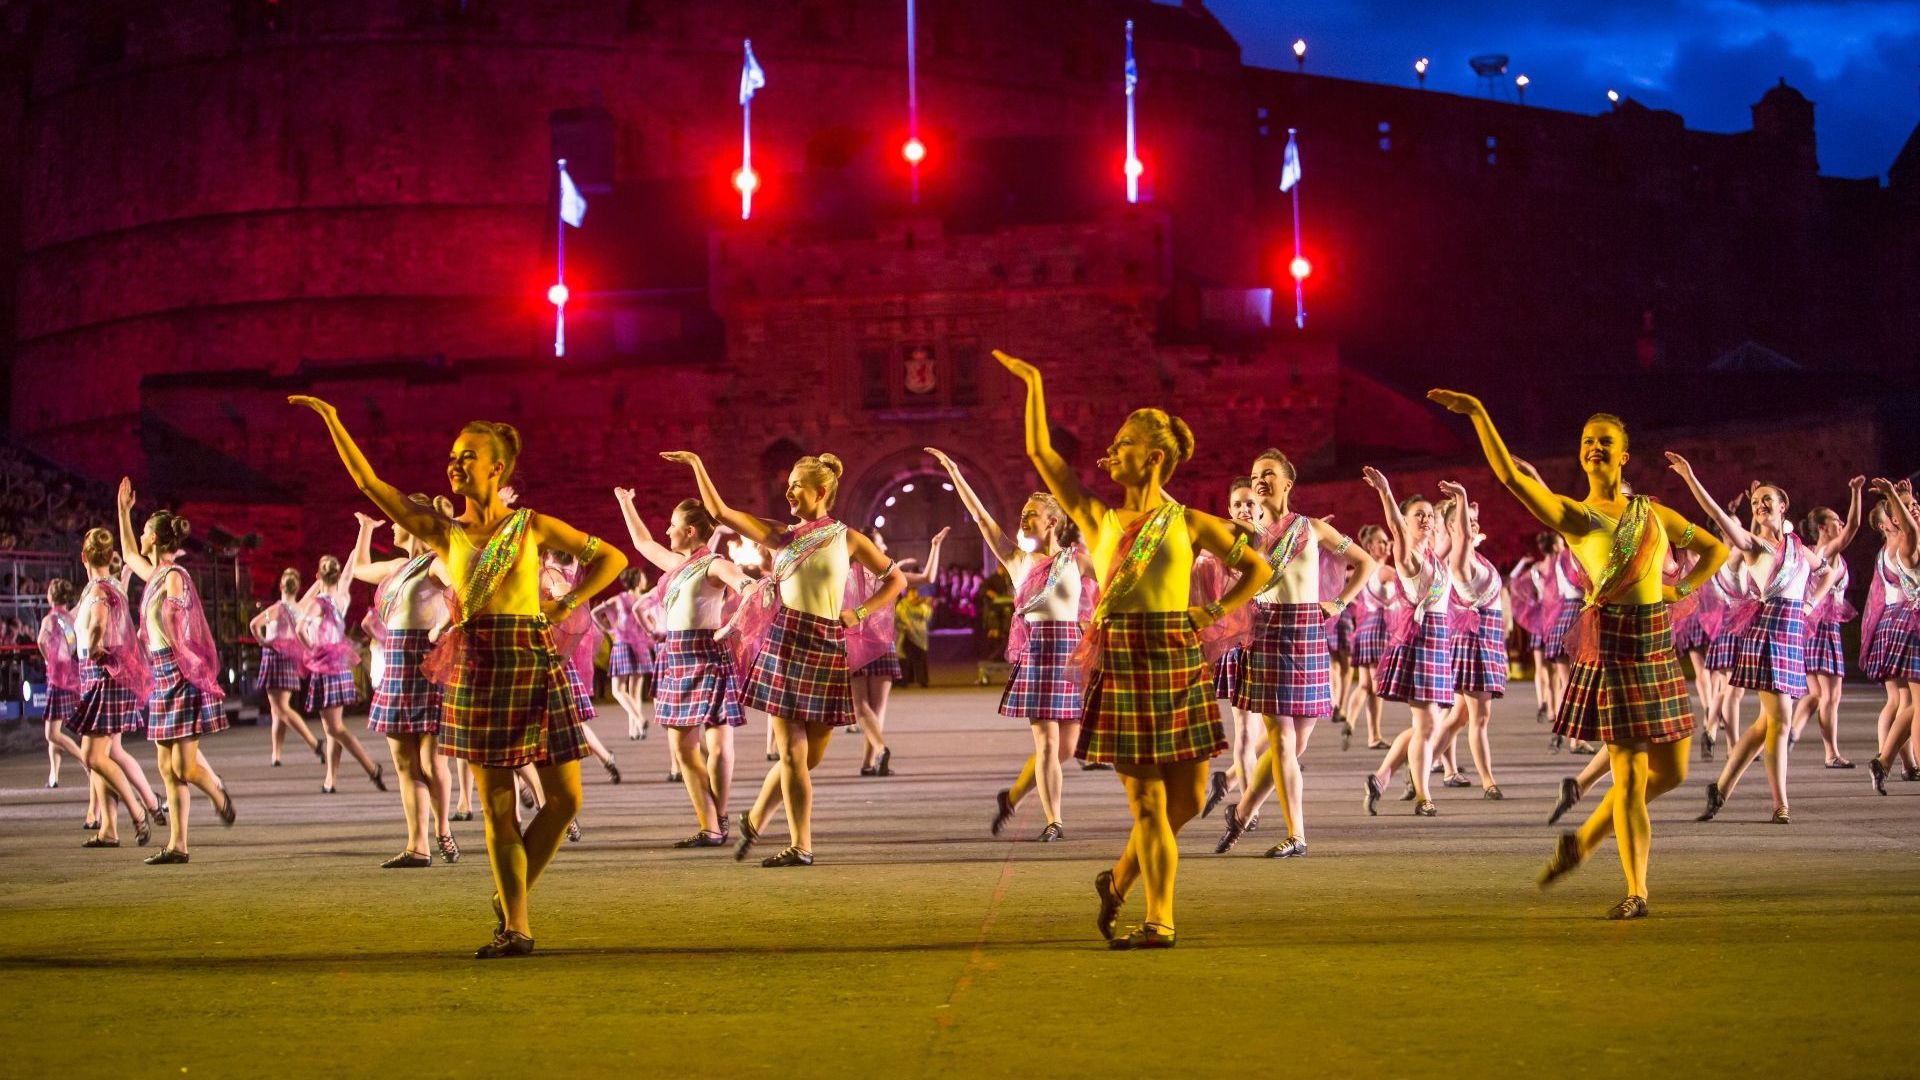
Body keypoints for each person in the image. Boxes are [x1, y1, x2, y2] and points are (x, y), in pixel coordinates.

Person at [292, 396, 626, 959]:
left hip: (534, 658)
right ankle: (516, 924)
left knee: (566, 799)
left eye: (467, 456)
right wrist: (334, 420)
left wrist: (568, 599)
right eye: (452, 455)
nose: (454, 464)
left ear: (497, 468)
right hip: (481, 665)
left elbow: (610, 557)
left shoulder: (531, 526)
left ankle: (511, 894)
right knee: (497, 804)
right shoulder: (443, 533)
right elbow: (372, 485)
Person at [995, 349, 1271, 949]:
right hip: (1123, 658)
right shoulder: (1098, 518)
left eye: (1124, 442)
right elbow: (1045, 457)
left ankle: (1117, 881)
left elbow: (1257, 568)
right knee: (1147, 805)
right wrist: (1035, 383)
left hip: (1176, 654)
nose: (1111, 451)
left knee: (1191, 799)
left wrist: (1214, 611)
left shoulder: (1190, 521)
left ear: (1154, 456)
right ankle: (1159, 919)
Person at [1430, 392, 1726, 919]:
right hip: (1612, 643)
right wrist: (1480, 414)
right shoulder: (1577, 516)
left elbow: (1714, 548)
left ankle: (1583, 840)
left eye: (1604, 442)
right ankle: (1638, 890)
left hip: (1655, 640)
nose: (1593, 448)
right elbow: (1514, 481)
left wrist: (1684, 588)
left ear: (1623, 456)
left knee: (1674, 772)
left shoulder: (1653, 513)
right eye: (1587, 442)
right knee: (1631, 775)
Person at [663, 449, 905, 868]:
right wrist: (698, 464)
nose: (788, 490)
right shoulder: (782, 536)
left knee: (810, 758)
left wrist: (860, 612)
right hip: (786, 641)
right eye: (789, 483)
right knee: (792, 754)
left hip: (828, 643)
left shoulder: (849, 539)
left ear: (822, 491)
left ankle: (755, 816)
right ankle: (801, 845)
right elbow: (720, 512)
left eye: (796, 484)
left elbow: (895, 579)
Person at [1674, 467, 1860, 824]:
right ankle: (1780, 803)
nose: (1760, 505)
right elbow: (1715, 513)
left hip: (1792, 634)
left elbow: (1830, 570)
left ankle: (1722, 788)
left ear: (1783, 506)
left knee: (1765, 723)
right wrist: (1690, 477)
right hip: (1768, 633)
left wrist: (1810, 604)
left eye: (1766, 501)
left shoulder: (1798, 548)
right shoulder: (1751, 545)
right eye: (1756, 502)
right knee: (1781, 720)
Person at [1214, 448, 1375, 858]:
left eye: (1268, 474)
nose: (1259, 480)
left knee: (1297, 743)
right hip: (1266, 633)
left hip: (1306, 633)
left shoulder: (1314, 529)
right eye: (1254, 475)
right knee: (1282, 741)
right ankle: (1296, 834)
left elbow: (1366, 563)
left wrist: (1338, 603)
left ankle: (1243, 810)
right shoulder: (1245, 534)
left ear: (1288, 483)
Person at [931, 447, 1093, 842]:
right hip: (1038, 652)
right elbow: (982, 520)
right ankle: (1054, 820)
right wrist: (954, 471)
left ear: (1053, 520)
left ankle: (1013, 796)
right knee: (1047, 742)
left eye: (1031, 513)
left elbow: (1122, 565)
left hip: (1071, 652)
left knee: (1067, 747)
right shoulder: (1017, 560)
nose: (1022, 518)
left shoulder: (1079, 559)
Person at [614, 489, 753, 847]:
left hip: (707, 652)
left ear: (690, 531)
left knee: (719, 744)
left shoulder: (714, 563)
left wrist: (729, 626)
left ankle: (718, 818)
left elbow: (748, 588)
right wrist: (626, 502)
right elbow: (643, 542)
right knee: (684, 749)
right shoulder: (677, 565)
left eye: (673, 526)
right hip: (675, 654)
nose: (667, 531)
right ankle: (710, 825)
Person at [117, 480, 237, 864]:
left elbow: (181, 619)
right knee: (166, 767)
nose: (141, 534)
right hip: (160, 675)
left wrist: (175, 618)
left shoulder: (174, 576)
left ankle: (217, 791)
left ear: (157, 538)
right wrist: (123, 510)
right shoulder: (152, 574)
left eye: (145, 529)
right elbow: (128, 553)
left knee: (184, 766)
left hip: (179, 674)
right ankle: (178, 844)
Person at [353, 505, 459, 867]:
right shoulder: (399, 567)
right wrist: (365, 529)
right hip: (397, 661)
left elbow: (464, 587)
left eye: (397, 519)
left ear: (413, 524)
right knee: (404, 763)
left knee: (431, 762)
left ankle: (443, 830)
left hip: (426, 661)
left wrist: (443, 625)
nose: (392, 525)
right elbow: (359, 569)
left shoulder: (434, 563)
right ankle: (417, 845)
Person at [1359, 469, 1454, 818]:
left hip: (1437, 638)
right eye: (1420, 515)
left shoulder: (1434, 557)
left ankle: (1381, 777)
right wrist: (1385, 489)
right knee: (1428, 726)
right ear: (1407, 522)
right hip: (1421, 639)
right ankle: (1422, 795)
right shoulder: (1408, 555)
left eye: (1430, 515)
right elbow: (1397, 528)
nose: (1427, 520)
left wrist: (1456, 502)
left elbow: (1451, 534)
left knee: (1424, 726)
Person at [68, 532, 158, 848]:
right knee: (107, 754)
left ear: (84, 558)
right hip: (111, 675)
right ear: (109, 558)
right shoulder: (114, 586)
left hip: (101, 675)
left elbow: (97, 625)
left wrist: (93, 645)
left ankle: (137, 811)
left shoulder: (98, 592)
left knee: (93, 757)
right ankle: (112, 827)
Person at [845, 529, 947, 776]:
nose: (884, 548)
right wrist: (935, 546)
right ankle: (870, 763)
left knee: (861, 707)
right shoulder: (887, 574)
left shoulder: (844, 574)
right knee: (878, 709)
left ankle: (877, 752)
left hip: (854, 641)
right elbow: (927, 577)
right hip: (882, 642)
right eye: (880, 543)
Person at [1197, 477, 1266, 815]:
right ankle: (1248, 807)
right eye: (1238, 504)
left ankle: (1227, 779)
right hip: (1240, 644)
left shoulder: (1271, 543)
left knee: (1282, 734)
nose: (1244, 509)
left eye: (1250, 503)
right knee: (1246, 731)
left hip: (1270, 644)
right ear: (1228, 510)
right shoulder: (1221, 549)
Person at [301, 545, 386, 794]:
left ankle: (371, 767)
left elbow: (299, 627)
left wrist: (310, 648)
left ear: (318, 576)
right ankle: (331, 779)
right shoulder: (342, 598)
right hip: (339, 665)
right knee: (331, 729)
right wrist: (362, 534)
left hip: (326, 666)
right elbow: (350, 570)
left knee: (334, 728)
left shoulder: (318, 602)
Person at [1790, 504, 1861, 768]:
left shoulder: (1820, 553)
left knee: (1817, 694)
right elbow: (1852, 529)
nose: (1841, 522)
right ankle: (1831, 753)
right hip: (1823, 628)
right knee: (1831, 696)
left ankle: (1793, 731)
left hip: (1812, 628)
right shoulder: (1826, 551)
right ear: (1822, 528)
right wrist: (1855, 494)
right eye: (1835, 520)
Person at [247, 569, 322, 766]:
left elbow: (254, 624)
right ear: (296, 588)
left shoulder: (278, 609)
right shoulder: (300, 606)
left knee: (281, 708)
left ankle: (314, 743)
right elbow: (314, 591)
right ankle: (276, 755)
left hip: (275, 657)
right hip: (290, 659)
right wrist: (320, 580)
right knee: (277, 711)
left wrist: (263, 641)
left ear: (281, 586)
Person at [35, 580, 86, 789]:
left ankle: (86, 761)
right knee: (53, 730)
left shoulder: (49, 619)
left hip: (57, 677)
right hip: (69, 673)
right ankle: (54, 776)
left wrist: (48, 658)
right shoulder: (70, 617)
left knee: (52, 733)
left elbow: (40, 641)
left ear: (50, 597)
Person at [896, 587, 935, 687]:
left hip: (921, 636)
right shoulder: (903, 604)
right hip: (907, 634)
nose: (914, 596)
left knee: (921, 658)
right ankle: (906, 680)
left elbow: (927, 615)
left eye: (916, 594)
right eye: (912, 594)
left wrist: (924, 605)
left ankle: (923, 680)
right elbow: (899, 618)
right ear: (907, 594)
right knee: (906, 658)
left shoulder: (922, 605)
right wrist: (904, 626)